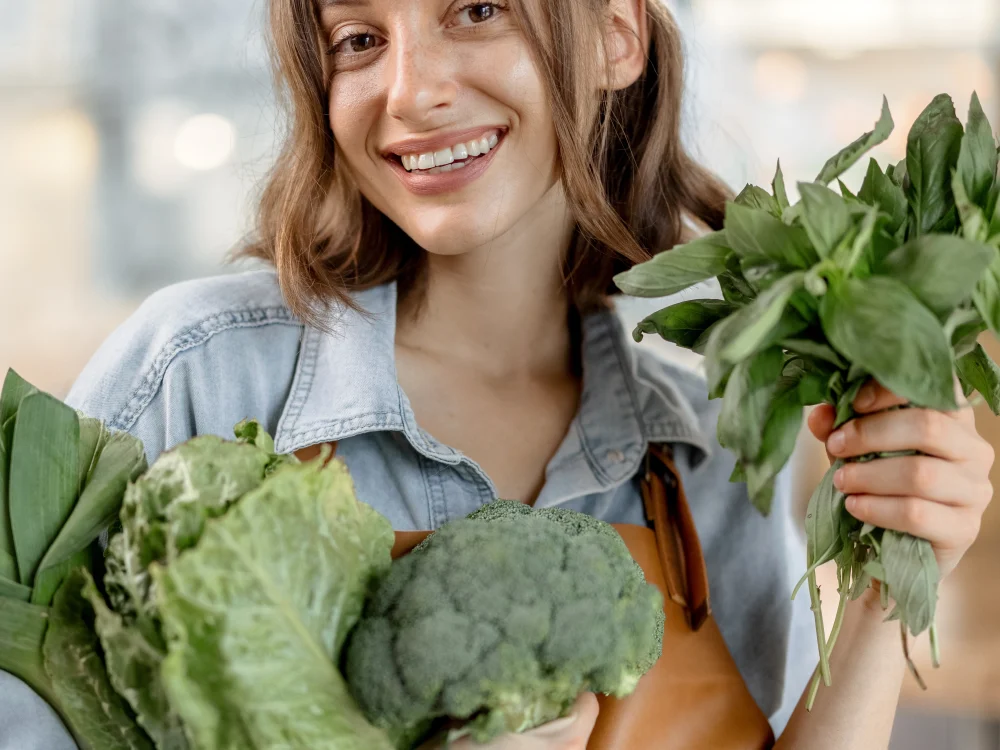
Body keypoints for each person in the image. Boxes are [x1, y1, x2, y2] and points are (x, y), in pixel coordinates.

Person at [1, 0, 994, 748]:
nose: (410, 91)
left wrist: (881, 588)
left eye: (475, 9)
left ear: (615, 34)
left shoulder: (706, 442)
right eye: (358, 40)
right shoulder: (197, 378)